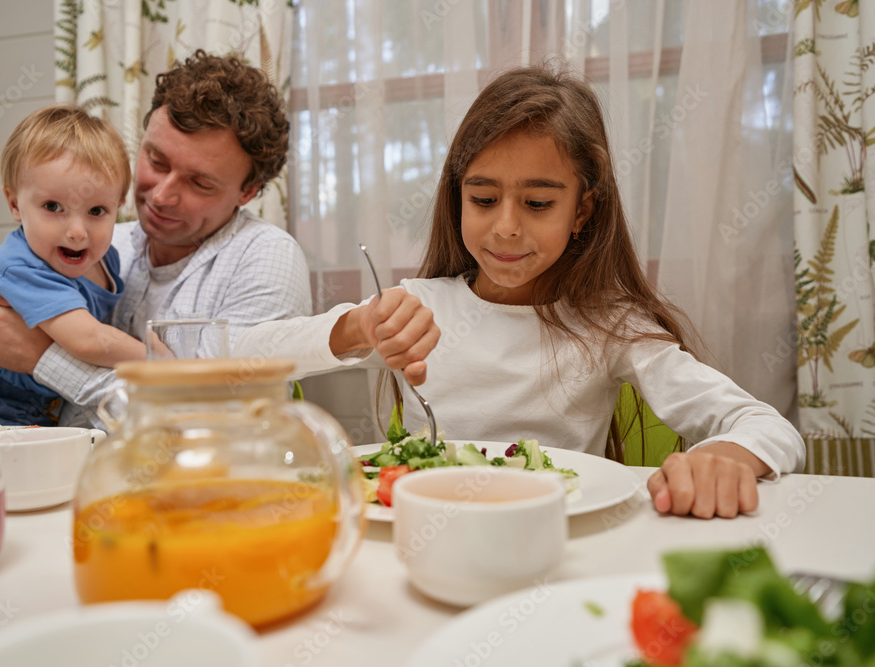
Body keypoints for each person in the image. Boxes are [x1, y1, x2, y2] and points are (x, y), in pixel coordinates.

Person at [235, 63, 806, 519]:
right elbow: (244, 354)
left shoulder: (613, 326)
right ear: (458, 195)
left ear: (582, 208)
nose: (506, 226)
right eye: (483, 199)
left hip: (556, 541)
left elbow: (769, 428)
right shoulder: (419, 306)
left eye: (537, 203)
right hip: (420, 535)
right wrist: (358, 329)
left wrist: (725, 458)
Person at [0, 51, 312, 427]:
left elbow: (209, 423)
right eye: (156, 161)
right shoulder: (104, 246)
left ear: (247, 192)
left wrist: (41, 357)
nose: (160, 195)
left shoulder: (265, 257)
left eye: (199, 182)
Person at [0, 105, 139, 426]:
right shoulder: (17, 264)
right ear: (14, 204)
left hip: (44, 408)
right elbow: (88, 341)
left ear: (118, 205)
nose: (77, 232)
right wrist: (161, 361)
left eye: (96, 211)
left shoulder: (107, 259)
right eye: (53, 207)